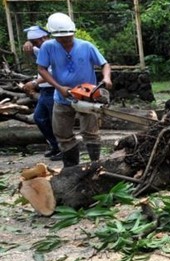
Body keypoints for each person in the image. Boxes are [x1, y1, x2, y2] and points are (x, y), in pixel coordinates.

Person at [36, 12, 112, 168]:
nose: (66, 40)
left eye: (68, 37)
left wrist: (106, 78)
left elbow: (104, 64)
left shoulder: (86, 46)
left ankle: (95, 165)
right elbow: (42, 69)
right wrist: (59, 87)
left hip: (88, 97)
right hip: (62, 98)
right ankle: (71, 167)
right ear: (54, 35)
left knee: (91, 133)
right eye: (62, 38)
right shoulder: (48, 47)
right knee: (62, 134)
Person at [21, 25, 61, 159]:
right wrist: (28, 44)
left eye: (36, 41)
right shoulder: (41, 48)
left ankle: (62, 148)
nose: (35, 45)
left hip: (53, 88)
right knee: (39, 117)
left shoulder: (53, 48)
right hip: (45, 90)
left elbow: (51, 72)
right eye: (33, 42)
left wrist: (34, 83)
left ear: (44, 37)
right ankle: (54, 145)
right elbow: (34, 52)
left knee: (55, 120)